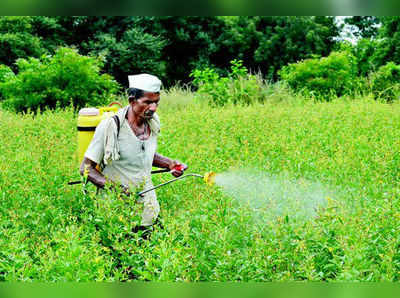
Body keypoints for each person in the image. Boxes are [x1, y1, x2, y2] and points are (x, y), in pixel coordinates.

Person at [80, 73, 187, 237]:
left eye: (156, 102)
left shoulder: (152, 122)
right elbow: (86, 169)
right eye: (147, 102)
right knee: (123, 258)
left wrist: (170, 164)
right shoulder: (111, 127)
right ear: (131, 100)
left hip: (148, 208)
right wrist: (115, 189)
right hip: (117, 212)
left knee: (156, 253)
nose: (153, 108)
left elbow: (143, 153)